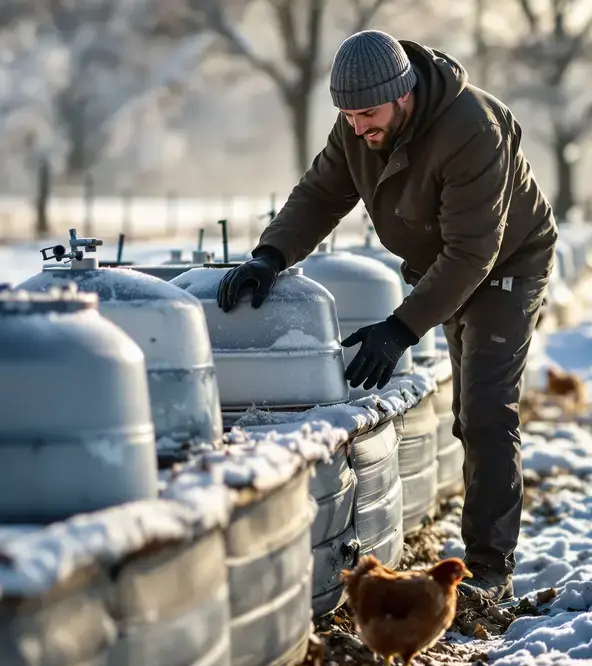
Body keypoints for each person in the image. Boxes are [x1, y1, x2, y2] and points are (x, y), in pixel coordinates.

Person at [215, 29, 556, 604]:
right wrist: (268, 257)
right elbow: (321, 193)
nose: (357, 126)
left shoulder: (473, 128)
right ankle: (484, 543)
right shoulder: (358, 125)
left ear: (404, 95)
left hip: (507, 263)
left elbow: (475, 251)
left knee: (487, 409)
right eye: (346, 115)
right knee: (467, 414)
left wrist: (400, 328)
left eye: (367, 113)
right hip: (442, 264)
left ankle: (490, 568)